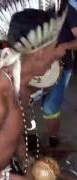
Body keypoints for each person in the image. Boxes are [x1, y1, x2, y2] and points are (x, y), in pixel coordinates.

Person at [0, 2, 74, 180]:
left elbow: (14, 132)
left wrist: (28, 162)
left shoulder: (19, 84)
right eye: (54, 47)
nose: (59, 54)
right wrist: (11, 178)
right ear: (38, 53)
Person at [41, 4, 77, 147]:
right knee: (43, 104)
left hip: (60, 68)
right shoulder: (37, 7)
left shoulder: (68, 10)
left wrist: (63, 47)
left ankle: (54, 141)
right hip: (40, 66)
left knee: (50, 107)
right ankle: (52, 134)